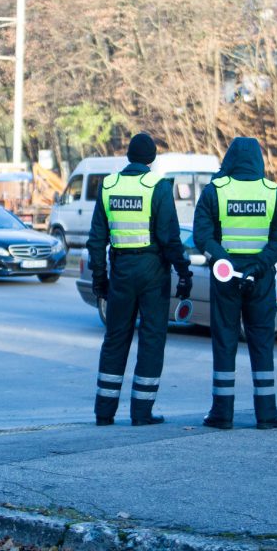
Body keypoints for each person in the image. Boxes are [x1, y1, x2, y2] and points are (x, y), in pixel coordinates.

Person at [88, 132, 192, 426]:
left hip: (120, 269)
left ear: (129, 157)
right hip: (152, 272)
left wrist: (100, 278)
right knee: (152, 338)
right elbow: (170, 238)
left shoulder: (109, 185)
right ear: (151, 159)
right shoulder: (157, 187)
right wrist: (183, 273)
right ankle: (141, 412)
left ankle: (104, 412)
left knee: (115, 338)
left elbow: (97, 239)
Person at [193, 137, 277, 430]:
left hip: (225, 277)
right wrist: (260, 265)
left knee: (225, 341)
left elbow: (202, 235)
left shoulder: (215, 191)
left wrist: (223, 261)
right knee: (262, 343)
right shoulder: (275, 193)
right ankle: (267, 414)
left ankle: (222, 414)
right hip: (261, 278)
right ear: (259, 160)